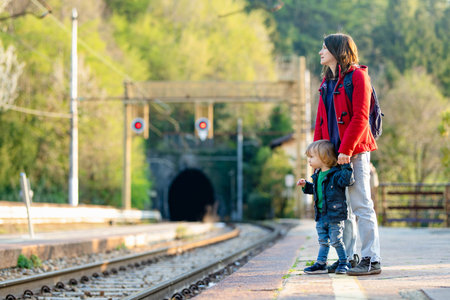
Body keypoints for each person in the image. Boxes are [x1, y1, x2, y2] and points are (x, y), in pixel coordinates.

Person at [315, 33, 381, 275]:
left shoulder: (358, 77)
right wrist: (317, 155)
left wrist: (346, 150)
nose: (320, 52)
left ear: (337, 51)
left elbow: (360, 118)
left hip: (354, 153)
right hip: (334, 156)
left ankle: (371, 259)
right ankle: (351, 258)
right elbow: (320, 122)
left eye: (324, 48)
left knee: (362, 205)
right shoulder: (326, 83)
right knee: (343, 210)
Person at [297, 140, 354, 274]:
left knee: (336, 241)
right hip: (321, 215)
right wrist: (306, 185)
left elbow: (347, 180)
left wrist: (346, 165)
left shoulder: (335, 174)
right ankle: (321, 263)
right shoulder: (317, 175)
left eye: (312, 157)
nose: (309, 160)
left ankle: (344, 263)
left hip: (334, 215)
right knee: (323, 241)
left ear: (323, 158)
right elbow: (317, 190)